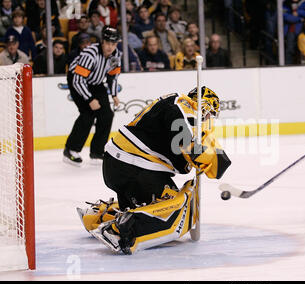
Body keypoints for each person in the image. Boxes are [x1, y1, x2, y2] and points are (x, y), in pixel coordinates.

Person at [76, 86, 231, 254]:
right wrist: (211, 159)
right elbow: (186, 141)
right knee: (178, 207)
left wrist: (212, 154)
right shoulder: (183, 105)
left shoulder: (174, 104)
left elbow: (181, 156)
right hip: (134, 167)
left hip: (121, 166)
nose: (208, 119)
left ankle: (98, 217)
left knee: (144, 206)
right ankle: (122, 231)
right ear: (204, 105)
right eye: (209, 114)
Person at [63, 26, 122, 166]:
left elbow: (113, 76)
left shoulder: (116, 55)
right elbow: (78, 80)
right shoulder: (90, 54)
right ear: (102, 41)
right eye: (107, 43)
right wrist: (90, 99)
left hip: (95, 82)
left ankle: (97, 152)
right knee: (88, 114)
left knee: (107, 114)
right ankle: (70, 150)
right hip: (77, 80)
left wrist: (114, 94)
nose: (110, 47)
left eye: (113, 44)